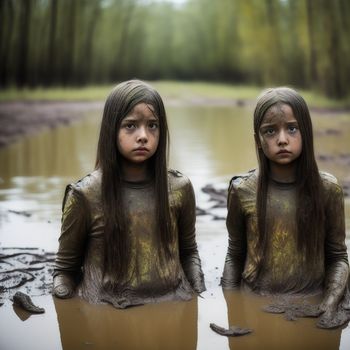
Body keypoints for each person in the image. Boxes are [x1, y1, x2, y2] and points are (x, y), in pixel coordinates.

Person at [53, 80, 206, 308]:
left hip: (173, 305)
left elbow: (189, 253)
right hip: (104, 314)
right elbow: (65, 270)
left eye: (152, 126)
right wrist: (65, 303)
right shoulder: (84, 195)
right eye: (131, 126)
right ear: (111, 129)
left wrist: (200, 292)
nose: (143, 135)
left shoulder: (180, 188)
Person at [221, 87, 349, 322]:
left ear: (306, 132)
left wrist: (329, 304)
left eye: (292, 128)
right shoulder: (241, 190)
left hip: (311, 306)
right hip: (256, 306)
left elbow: (338, 257)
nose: (282, 139)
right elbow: (234, 256)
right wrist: (234, 310)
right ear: (258, 140)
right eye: (270, 131)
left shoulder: (328, 190)